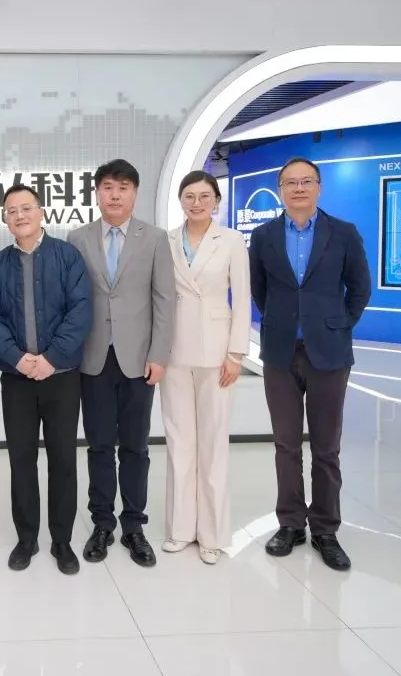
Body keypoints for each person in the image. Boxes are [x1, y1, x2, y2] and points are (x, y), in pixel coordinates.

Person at [249, 157, 370, 571]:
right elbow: (260, 290)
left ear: (319, 187)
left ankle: (325, 530)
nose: (298, 188)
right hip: (280, 353)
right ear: (280, 190)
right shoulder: (263, 236)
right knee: (285, 444)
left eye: (306, 181)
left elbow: (360, 287)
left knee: (326, 447)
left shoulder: (344, 233)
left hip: (329, 354)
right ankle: (290, 524)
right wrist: (282, 322)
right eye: (290, 183)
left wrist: (337, 324)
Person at [68, 159, 176, 568]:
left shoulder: (155, 239)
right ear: (97, 193)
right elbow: (72, 300)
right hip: (92, 358)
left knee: (135, 445)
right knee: (98, 445)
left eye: (123, 187)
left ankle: (134, 525)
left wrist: (159, 354)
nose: (115, 195)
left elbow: (165, 300)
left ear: (135, 194)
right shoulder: (77, 238)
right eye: (108, 187)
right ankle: (102, 524)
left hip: (139, 359)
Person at [0, 185, 92, 575]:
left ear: (41, 212)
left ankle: (62, 540)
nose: (20, 215)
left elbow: (81, 310)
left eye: (26, 208)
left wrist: (51, 358)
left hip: (61, 377)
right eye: (12, 210)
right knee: (21, 459)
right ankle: (26, 538)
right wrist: (17, 358)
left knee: (63, 459)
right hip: (17, 380)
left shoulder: (67, 256)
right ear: (5, 219)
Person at [159, 171, 250, 565]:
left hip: (217, 353)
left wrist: (236, 353)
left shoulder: (230, 240)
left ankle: (212, 534)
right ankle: (180, 529)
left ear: (216, 200)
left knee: (213, 445)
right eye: (189, 196)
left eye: (204, 196)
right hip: (175, 351)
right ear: (180, 200)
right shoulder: (166, 241)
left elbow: (242, 299)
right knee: (179, 443)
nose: (196, 203)